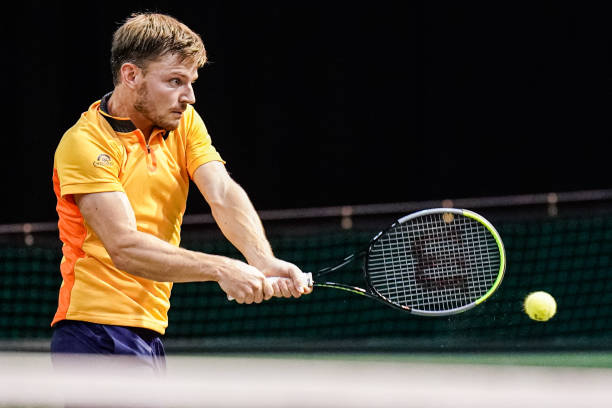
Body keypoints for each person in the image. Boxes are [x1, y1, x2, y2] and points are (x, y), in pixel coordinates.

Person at [50, 12, 311, 371]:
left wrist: (262, 260)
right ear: (131, 75)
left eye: (191, 81)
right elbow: (124, 246)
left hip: (149, 331)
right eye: (175, 81)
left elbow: (222, 191)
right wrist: (222, 269)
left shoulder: (183, 123)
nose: (188, 96)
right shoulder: (85, 143)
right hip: (95, 332)